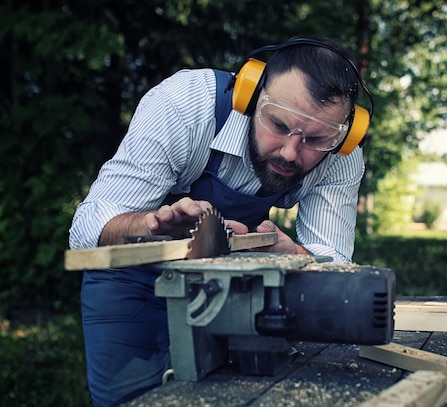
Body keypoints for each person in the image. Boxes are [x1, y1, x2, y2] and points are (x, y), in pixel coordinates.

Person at [68, 36, 374, 406]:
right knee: (130, 400)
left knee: (228, 396)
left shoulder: (341, 155)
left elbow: (336, 265)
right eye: (278, 124)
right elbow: (85, 232)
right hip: (130, 275)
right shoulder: (184, 104)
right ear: (250, 94)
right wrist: (151, 228)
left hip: (229, 281)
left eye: (315, 139)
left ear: (345, 133)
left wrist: (294, 255)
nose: (291, 152)